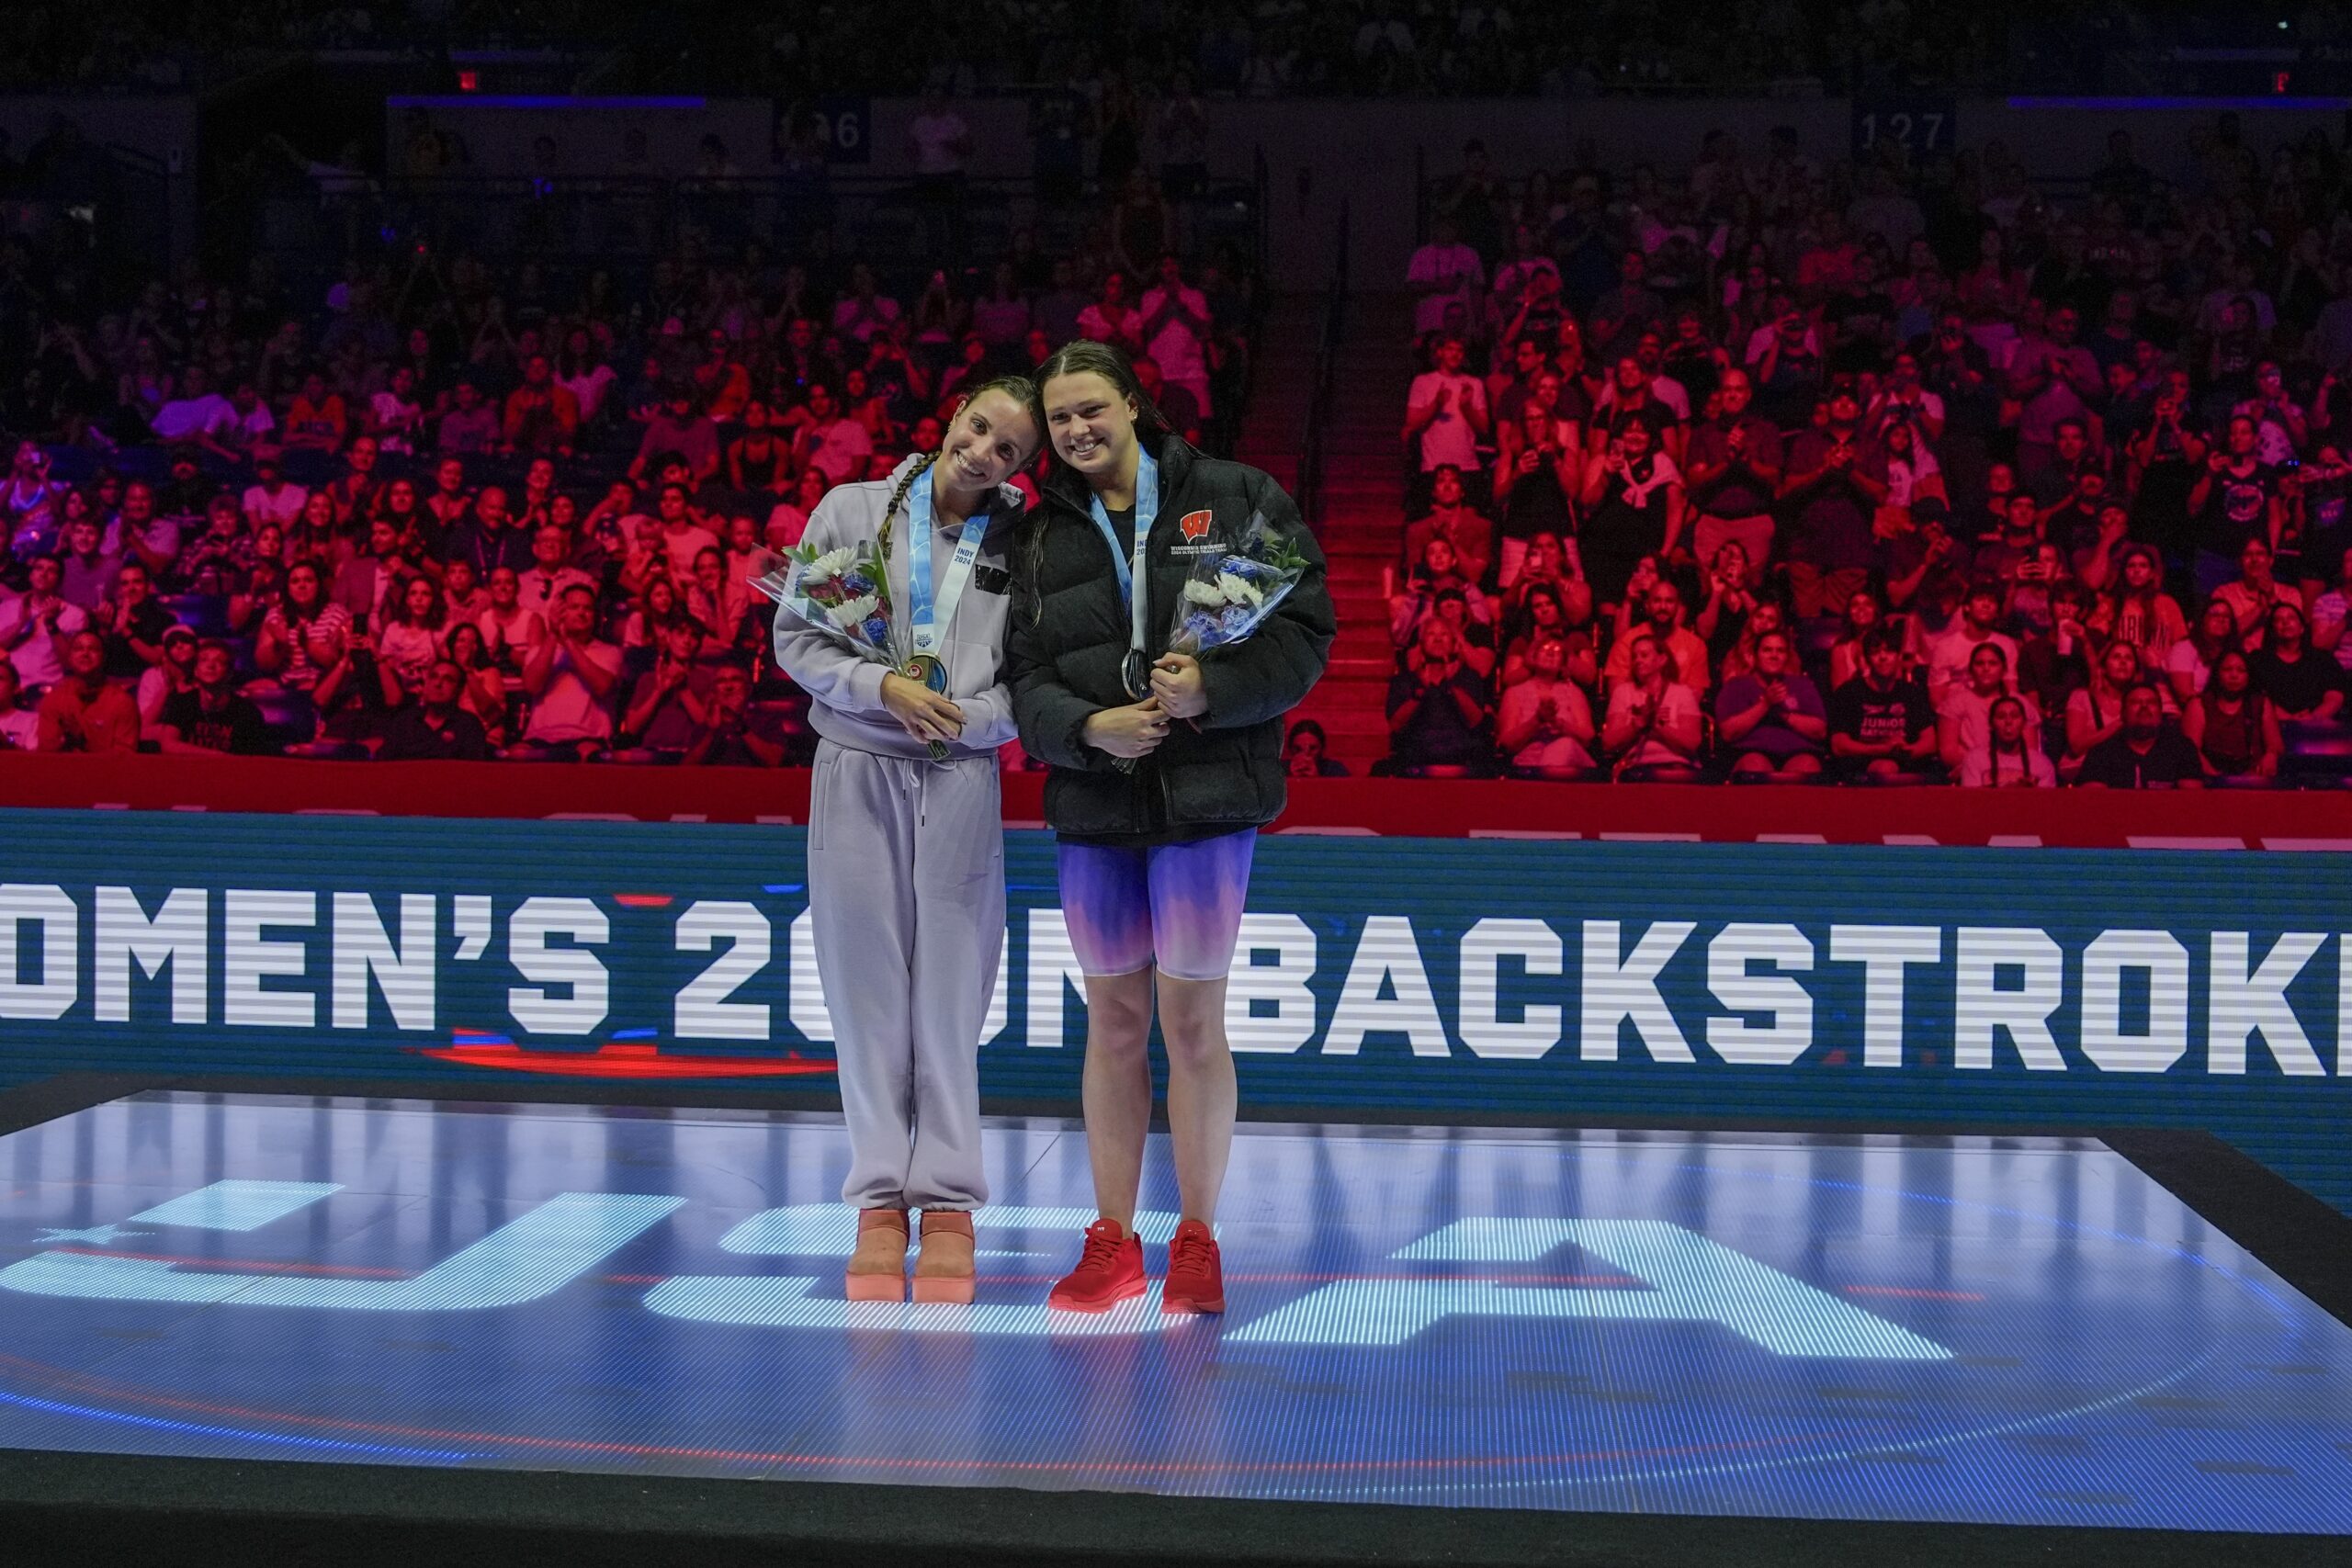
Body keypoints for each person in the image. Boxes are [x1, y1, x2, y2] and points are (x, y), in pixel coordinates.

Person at [1008, 340, 1332, 1316]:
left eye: (1091, 408)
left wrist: (1213, 692)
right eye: (1060, 417)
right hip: (1095, 801)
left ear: (1134, 406)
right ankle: (1111, 1241)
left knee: (1191, 1023)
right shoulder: (1035, 535)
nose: (1076, 429)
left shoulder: (1235, 494)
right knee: (1112, 1024)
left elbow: (1305, 631)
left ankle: (1196, 1238)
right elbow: (1021, 679)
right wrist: (1084, 728)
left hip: (1208, 800)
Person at [772, 375, 1046, 1306]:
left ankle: (952, 1201)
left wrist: (969, 720)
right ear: (954, 414)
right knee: (864, 990)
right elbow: (799, 642)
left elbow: (1032, 685)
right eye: (978, 429)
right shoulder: (851, 509)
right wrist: (883, 689)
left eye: (1007, 449)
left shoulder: (1027, 544)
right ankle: (880, 1200)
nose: (983, 454)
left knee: (952, 991)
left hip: (961, 776)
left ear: (1023, 467)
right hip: (856, 765)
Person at [1715, 627, 1826, 780]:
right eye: (1767, 650)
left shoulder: (1802, 685)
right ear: (1755, 656)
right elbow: (1728, 732)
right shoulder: (1736, 686)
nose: (1774, 655)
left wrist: (1784, 715)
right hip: (1751, 752)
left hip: (1798, 753)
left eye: (1780, 651)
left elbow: (1820, 731)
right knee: (1755, 765)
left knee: (1808, 766)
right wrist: (1766, 704)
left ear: (1787, 657)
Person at [1496, 634, 1596, 776]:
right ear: (1533, 656)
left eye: (1556, 651)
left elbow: (1588, 736)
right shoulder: (1515, 692)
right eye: (1544, 649)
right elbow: (1507, 741)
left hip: (1569, 765)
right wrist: (1537, 721)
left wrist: (1560, 725)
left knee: (1565, 746)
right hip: (1528, 766)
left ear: (1563, 662)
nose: (1550, 653)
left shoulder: (1573, 692)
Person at [2075, 682, 2204, 788]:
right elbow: (2093, 802)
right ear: (2123, 713)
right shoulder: (2101, 751)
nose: (2144, 706)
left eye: (2151, 702)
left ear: (2160, 712)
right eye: (2135, 702)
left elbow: (2191, 799)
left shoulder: (2182, 748)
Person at [154, 639, 270, 755]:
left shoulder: (246, 712)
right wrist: (216, 756)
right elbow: (168, 745)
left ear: (229, 673)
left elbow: (250, 759)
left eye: (219, 661)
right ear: (196, 671)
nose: (210, 665)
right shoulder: (182, 703)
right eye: (204, 660)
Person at [2182, 649, 2280, 784]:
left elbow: (2275, 745)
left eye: (2241, 670)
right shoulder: (2199, 704)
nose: (2234, 675)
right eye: (2227, 670)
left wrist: (2271, 755)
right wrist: (2214, 776)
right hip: (2209, 778)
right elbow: (2191, 750)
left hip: (2253, 779)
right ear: (2217, 673)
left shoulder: (2261, 703)